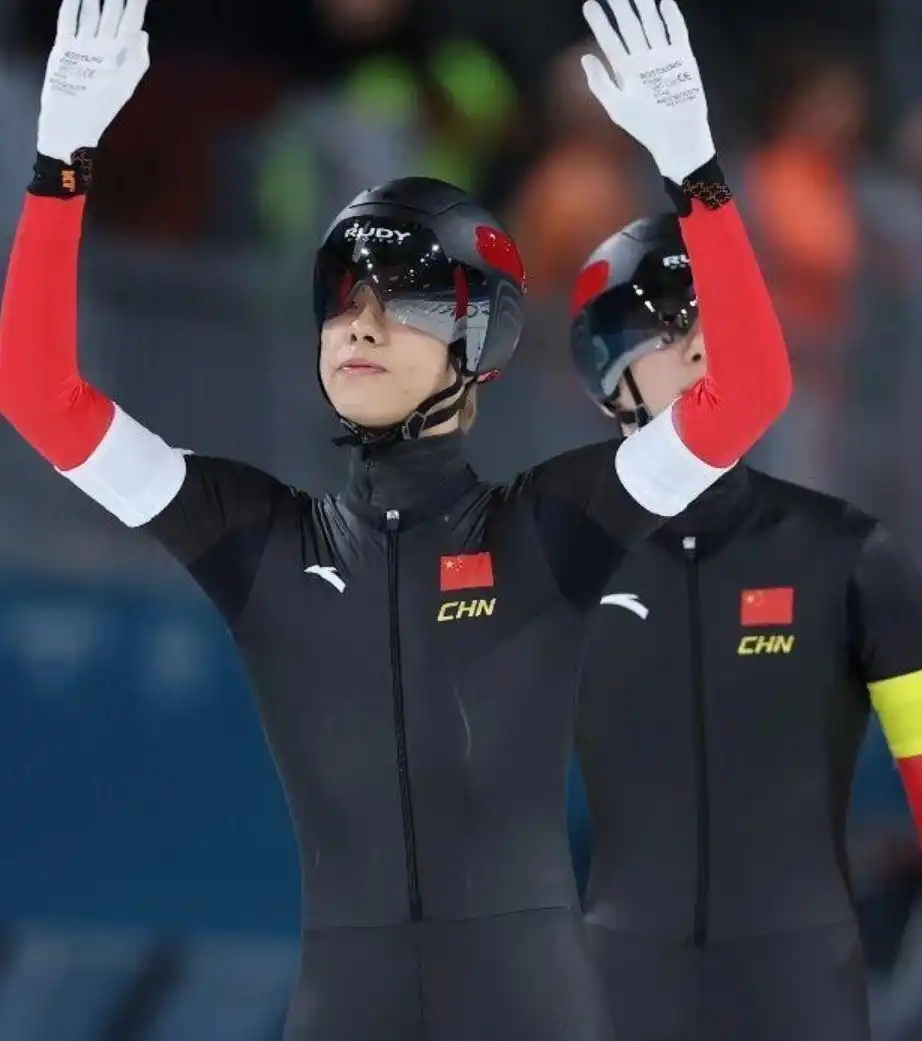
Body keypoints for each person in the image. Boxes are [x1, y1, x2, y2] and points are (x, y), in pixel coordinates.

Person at [0, 2, 791, 1039]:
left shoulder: (548, 526)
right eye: (343, 299)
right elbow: (39, 396)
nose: (360, 325)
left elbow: (748, 395)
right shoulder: (259, 539)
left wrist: (696, 173)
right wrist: (60, 164)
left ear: (479, 341)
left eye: (406, 299)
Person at [565, 212, 922, 1041]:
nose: (703, 345)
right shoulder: (554, 559)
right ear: (604, 368)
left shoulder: (852, 557)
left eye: (719, 319)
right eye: (668, 325)